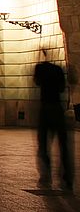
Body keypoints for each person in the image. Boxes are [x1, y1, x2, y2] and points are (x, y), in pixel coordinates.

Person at [34, 54, 73, 192]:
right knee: (63, 145)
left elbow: (37, 82)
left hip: (45, 109)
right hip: (57, 108)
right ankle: (67, 178)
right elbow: (62, 88)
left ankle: (46, 176)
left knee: (43, 144)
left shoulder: (39, 68)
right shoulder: (58, 69)